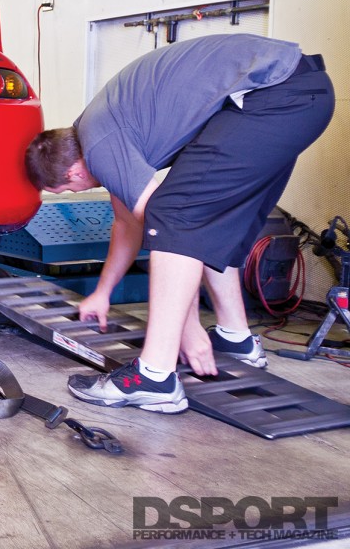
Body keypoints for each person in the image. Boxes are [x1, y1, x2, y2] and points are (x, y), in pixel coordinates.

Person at [24, 33, 334, 413]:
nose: (75, 193)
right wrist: (102, 292)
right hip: (303, 93)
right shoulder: (105, 129)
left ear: (72, 172)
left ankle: (153, 375)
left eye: (66, 191)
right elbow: (127, 224)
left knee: (176, 216)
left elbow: (168, 228)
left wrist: (186, 330)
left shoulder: (101, 142)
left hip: (270, 97)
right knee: (210, 221)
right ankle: (237, 339)